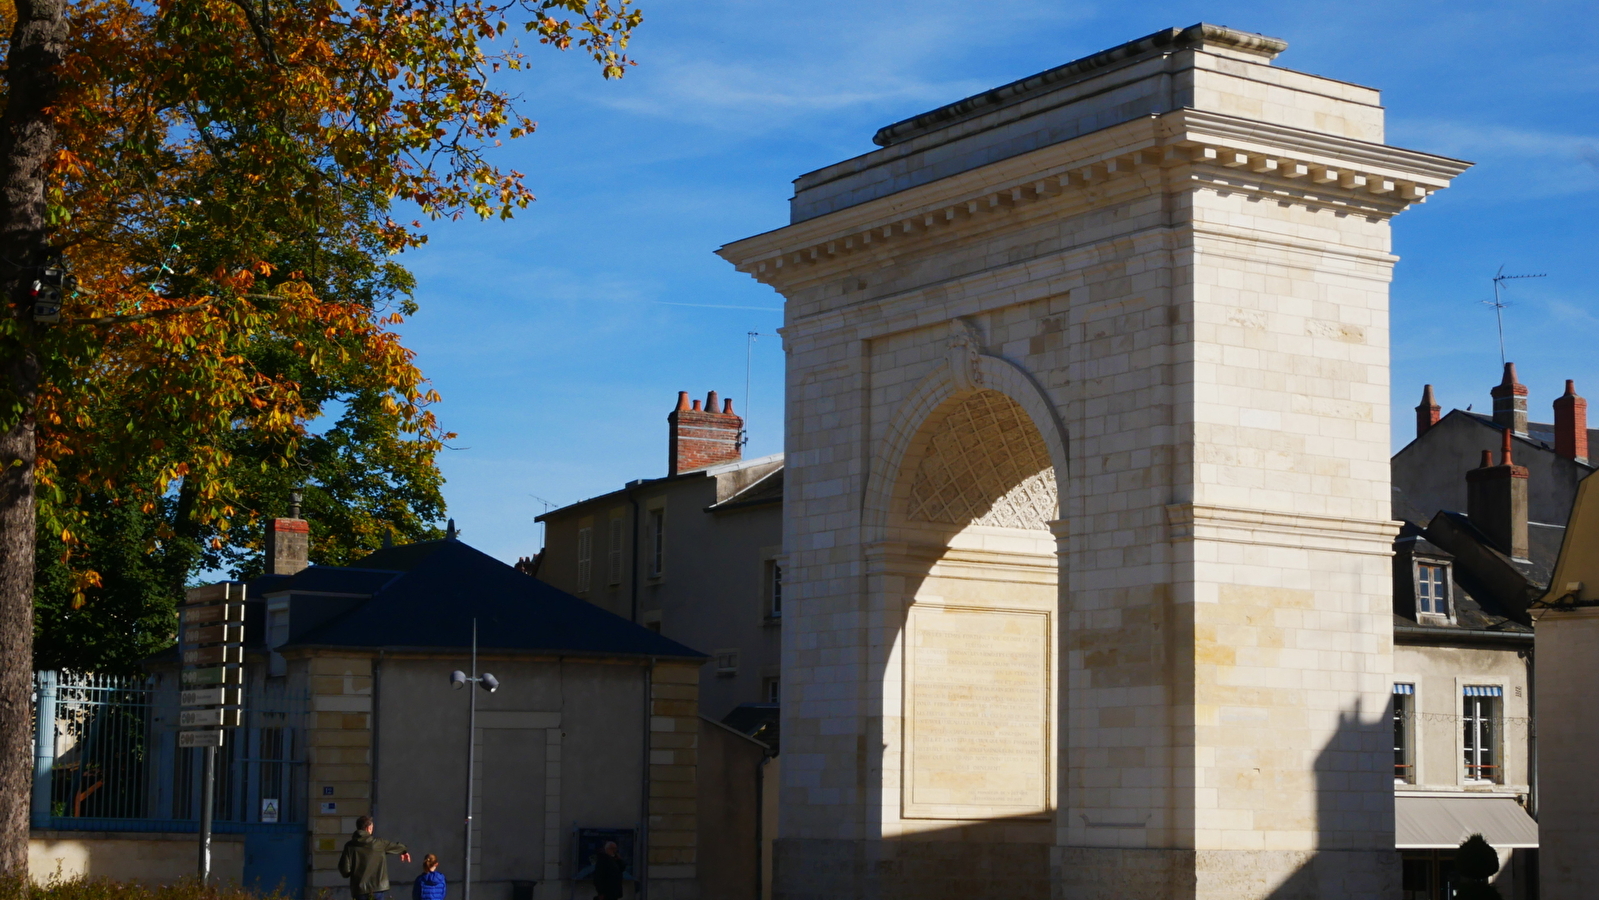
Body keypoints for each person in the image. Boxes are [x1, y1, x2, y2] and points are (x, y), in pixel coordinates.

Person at [339, 815, 412, 900]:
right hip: (377, 889)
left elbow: (344, 870)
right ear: (368, 828)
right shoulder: (378, 843)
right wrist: (404, 850)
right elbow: (397, 846)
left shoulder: (349, 846)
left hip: (359, 890)